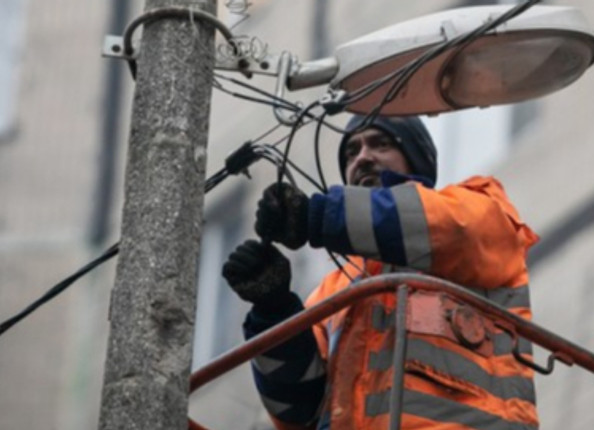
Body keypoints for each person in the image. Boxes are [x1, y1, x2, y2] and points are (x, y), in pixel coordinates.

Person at [222, 115, 540, 430]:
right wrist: (273, 309)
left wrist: (319, 216)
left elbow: (444, 226)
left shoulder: (481, 208)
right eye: (351, 152)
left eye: (380, 144)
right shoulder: (334, 291)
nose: (362, 157)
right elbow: (299, 411)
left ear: (416, 160)